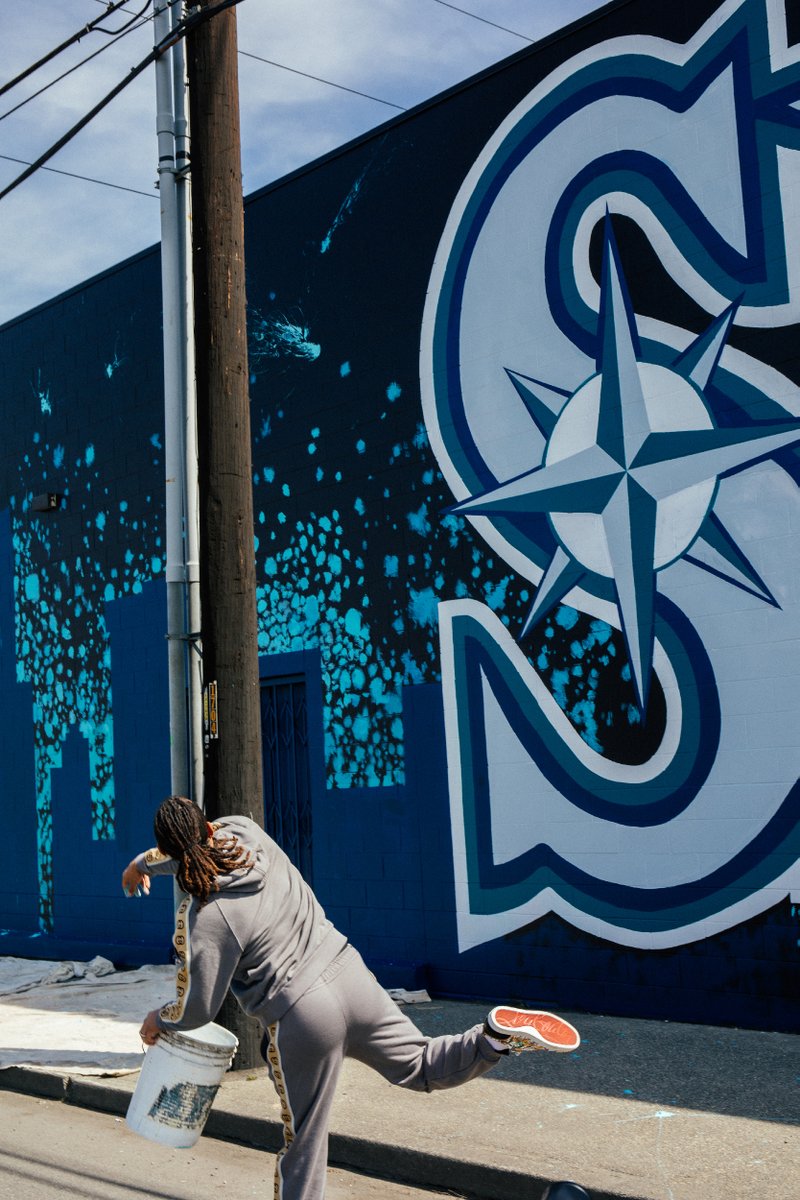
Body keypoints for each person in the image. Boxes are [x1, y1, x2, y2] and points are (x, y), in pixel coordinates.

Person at [122, 795, 580, 1200]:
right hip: (347, 972)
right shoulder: (245, 831)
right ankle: (493, 1039)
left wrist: (160, 1018)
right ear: (207, 826)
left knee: (305, 1143)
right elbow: (196, 843)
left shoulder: (206, 919)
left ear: (177, 857)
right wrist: (144, 864)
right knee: (419, 1065)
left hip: (301, 1016)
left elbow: (199, 1006)